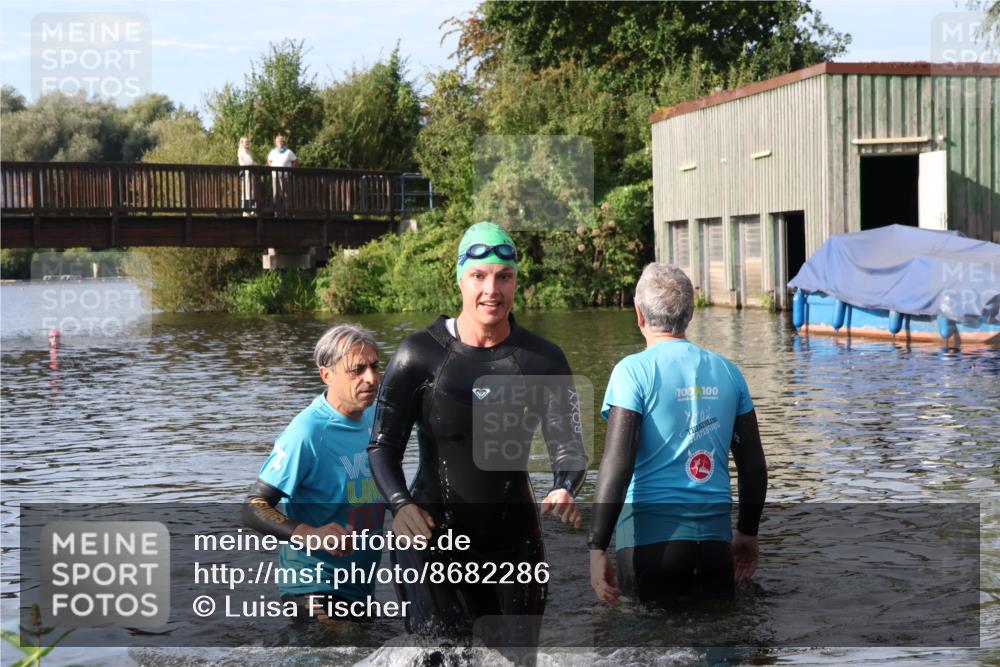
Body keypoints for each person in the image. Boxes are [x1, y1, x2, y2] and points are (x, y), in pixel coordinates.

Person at [368, 222, 588, 645]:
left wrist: (565, 487)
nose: (492, 290)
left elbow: (569, 449)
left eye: (503, 277)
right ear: (459, 280)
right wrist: (400, 505)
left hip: (514, 545)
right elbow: (382, 446)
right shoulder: (419, 355)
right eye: (479, 276)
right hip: (430, 537)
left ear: (516, 281)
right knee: (442, 657)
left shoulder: (542, 360)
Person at [589, 263, 767, 605]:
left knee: (645, 646)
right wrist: (747, 533)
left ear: (639, 314)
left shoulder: (632, 372)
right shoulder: (729, 372)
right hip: (715, 547)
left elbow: (617, 464)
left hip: (647, 545)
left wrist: (596, 545)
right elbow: (753, 466)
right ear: (691, 313)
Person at [242, 323, 385, 623]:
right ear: (326, 374)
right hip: (313, 586)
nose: (371, 378)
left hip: (360, 586)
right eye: (357, 370)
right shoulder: (307, 432)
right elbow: (254, 508)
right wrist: (311, 535)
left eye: (374, 366)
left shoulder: (376, 418)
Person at [266, 134, 299, 213]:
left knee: (286, 194)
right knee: (276, 194)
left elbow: (296, 161)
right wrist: (272, 167)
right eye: (278, 141)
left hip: (285, 176)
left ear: (284, 142)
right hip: (275, 176)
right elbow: (269, 160)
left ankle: (287, 211)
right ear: (276, 143)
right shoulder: (273, 152)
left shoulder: (288, 151)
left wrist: (291, 169)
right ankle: (276, 212)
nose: (279, 143)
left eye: (281, 141)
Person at [237, 136, 256, 216]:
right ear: (242, 143)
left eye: (248, 141)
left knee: (252, 191)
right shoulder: (241, 152)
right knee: (246, 191)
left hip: (251, 173)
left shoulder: (249, 152)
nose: (247, 143)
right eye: (246, 142)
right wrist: (246, 169)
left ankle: (252, 209)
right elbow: (242, 162)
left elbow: (252, 161)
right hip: (246, 173)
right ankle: (245, 210)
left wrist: (256, 165)